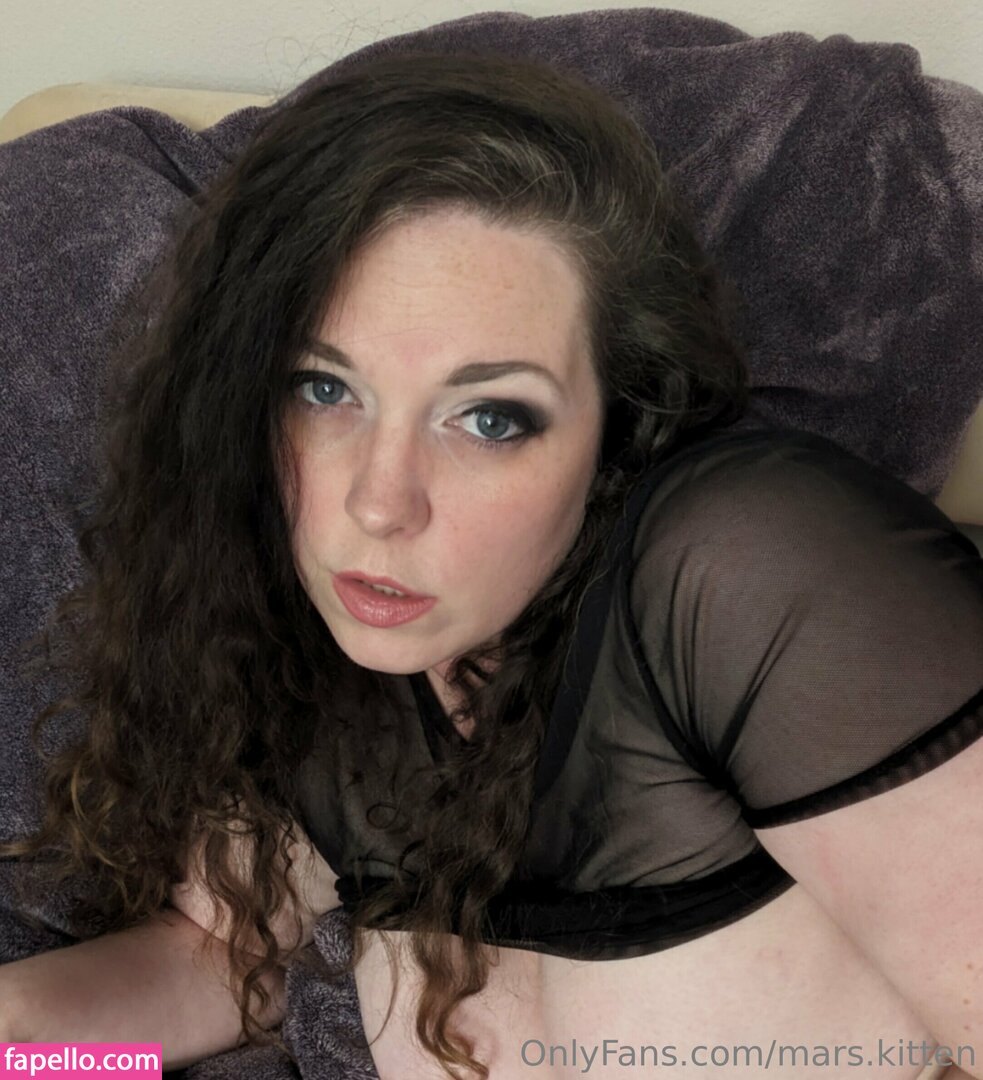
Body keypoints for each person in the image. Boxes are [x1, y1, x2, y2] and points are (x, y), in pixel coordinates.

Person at [1, 48, 982, 1080]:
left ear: (619, 417)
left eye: (488, 417)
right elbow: (223, 961)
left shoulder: (745, 575)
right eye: (325, 390)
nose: (378, 504)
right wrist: (31, 1056)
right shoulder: (330, 651)